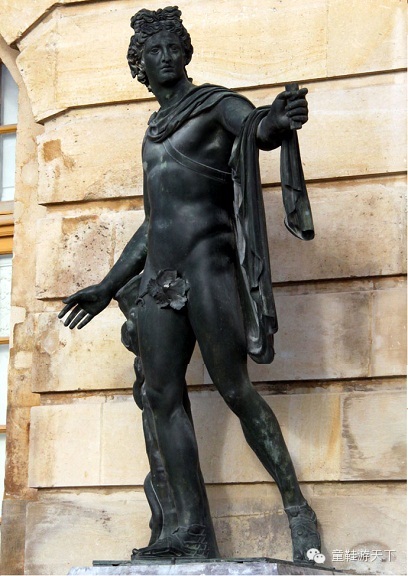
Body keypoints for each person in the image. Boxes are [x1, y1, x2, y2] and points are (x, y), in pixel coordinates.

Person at [59, 6, 321, 564]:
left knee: (234, 389)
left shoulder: (213, 105)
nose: (166, 56)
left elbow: (256, 127)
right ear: (140, 66)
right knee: (161, 396)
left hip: (208, 268)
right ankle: (190, 530)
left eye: (174, 47)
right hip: (159, 279)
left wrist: (279, 119)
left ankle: (298, 510)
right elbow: (155, 222)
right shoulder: (152, 132)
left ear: (186, 54)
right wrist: (107, 286)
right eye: (154, 50)